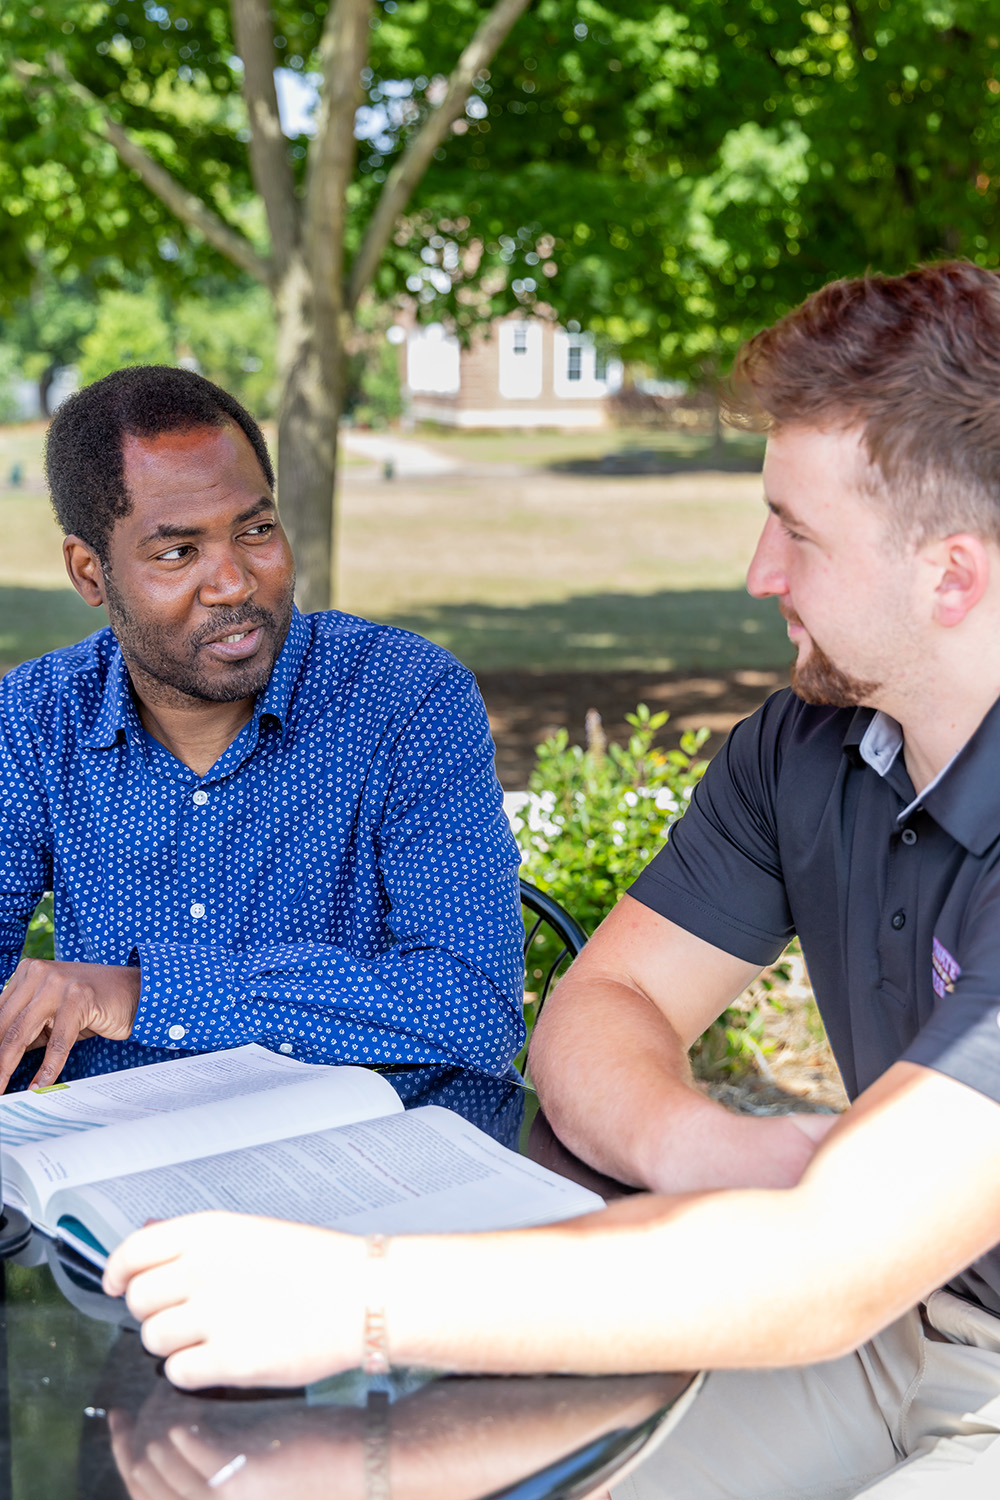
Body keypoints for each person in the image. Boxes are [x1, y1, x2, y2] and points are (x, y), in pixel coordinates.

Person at [106, 262, 1000, 1495]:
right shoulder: (808, 747)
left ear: (949, 573)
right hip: (881, 1322)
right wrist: (699, 1146)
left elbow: (821, 1269)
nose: (758, 572)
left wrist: (358, 1296)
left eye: (795, 532)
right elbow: (597, 1011)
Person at [0, 365, 523, 1093]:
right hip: (113, 1173)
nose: (234, 583)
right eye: (178, 552)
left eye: (256, 530)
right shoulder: (33, 721)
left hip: (362, 1175)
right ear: (90, 573)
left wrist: (140, 993)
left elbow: (474, 1012)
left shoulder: (405, 700)